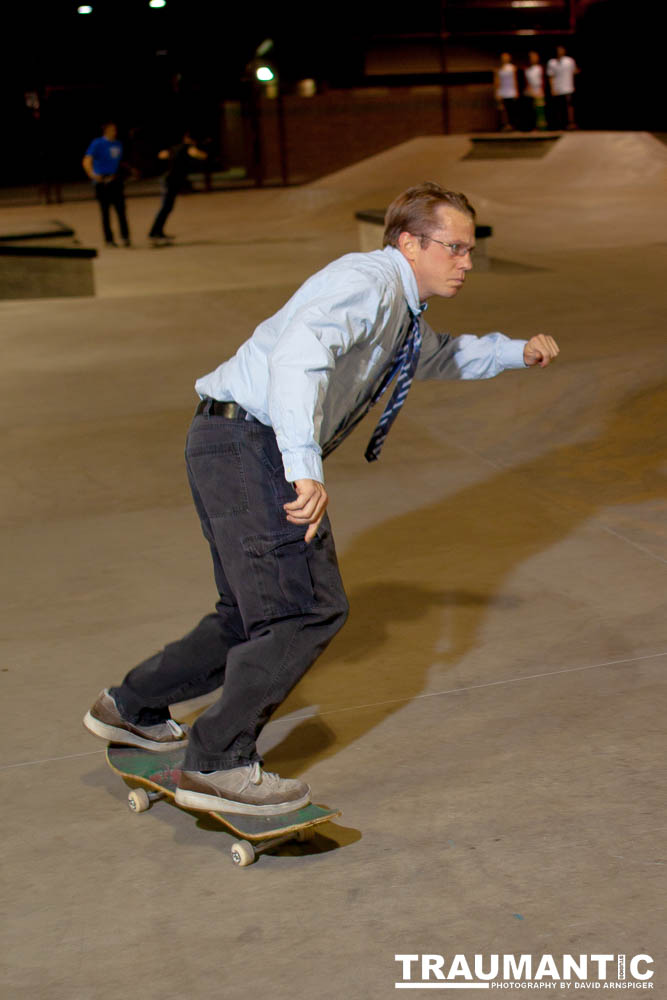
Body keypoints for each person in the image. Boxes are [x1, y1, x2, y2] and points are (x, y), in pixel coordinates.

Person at [83, 182, 559, 816]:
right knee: (304, 611)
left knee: (245, 615)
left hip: (227, 441)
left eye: (471, 250)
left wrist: (512, 352)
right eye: (455, 248)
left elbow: (432, 356)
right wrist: (302, 467)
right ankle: (219, 762)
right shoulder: (367, 282)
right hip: (253, 443)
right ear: (409, 243)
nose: (466, 262)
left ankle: (130, 708)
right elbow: (299, 356)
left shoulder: (399, 308)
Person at [148, 132, 208, 245]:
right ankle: (154, 233)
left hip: (169, 180)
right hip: (171, 181)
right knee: (166, 207)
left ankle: (158, 231)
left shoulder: (175, 148)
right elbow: (196, 154)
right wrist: (204, 155)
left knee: (167, 207)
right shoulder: (188, 147)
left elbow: (161, 154)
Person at [82, 122, 131, 247]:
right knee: (105, 212)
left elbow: (118, 161)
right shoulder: (98, 143)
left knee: (121, 210)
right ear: (106, 131)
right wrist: (92, 174)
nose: (114, 132)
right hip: (102, 182)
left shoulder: (118, 144)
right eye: (112, 130)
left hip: (115, 180)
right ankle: (109, 240)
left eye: (115, 129)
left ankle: (125, 237)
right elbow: (87, 160)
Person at [546, 46, 579, 129]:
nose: (559, 52)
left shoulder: (569, 61)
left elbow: (574, 72)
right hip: (557, 88)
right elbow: (551, 76)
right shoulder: (552, 62)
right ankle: (560, 124)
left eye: (561, 50)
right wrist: (552, 88)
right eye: (558, 50)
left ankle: (571, 123)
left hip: (568, 87)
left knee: (569, 106)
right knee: (559, 107)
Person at [495, 52, 520, 131]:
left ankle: (513, 125)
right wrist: (497, 93)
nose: (504, 59)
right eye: (503, 57)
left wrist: (516, 91)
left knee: (512, 109)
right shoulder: (499, 69)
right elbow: (497, 82)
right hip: (503, 92)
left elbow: (515, 80)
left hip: (511, 92)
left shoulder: (513, 68)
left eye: (506, 57)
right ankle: (506, 125)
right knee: (504, 110)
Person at [524, 51, 547, 131]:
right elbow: (527, 82)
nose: (532, 59)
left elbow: (542, 81)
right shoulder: (527, 69)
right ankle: (533, 127)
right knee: (531, 110)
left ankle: (542, 127)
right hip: (530, 92)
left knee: (540, 110)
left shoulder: (540, 68)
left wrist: (541, 91)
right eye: (531, 57)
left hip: (539, 91)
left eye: (534, 57)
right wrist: (530, 90)